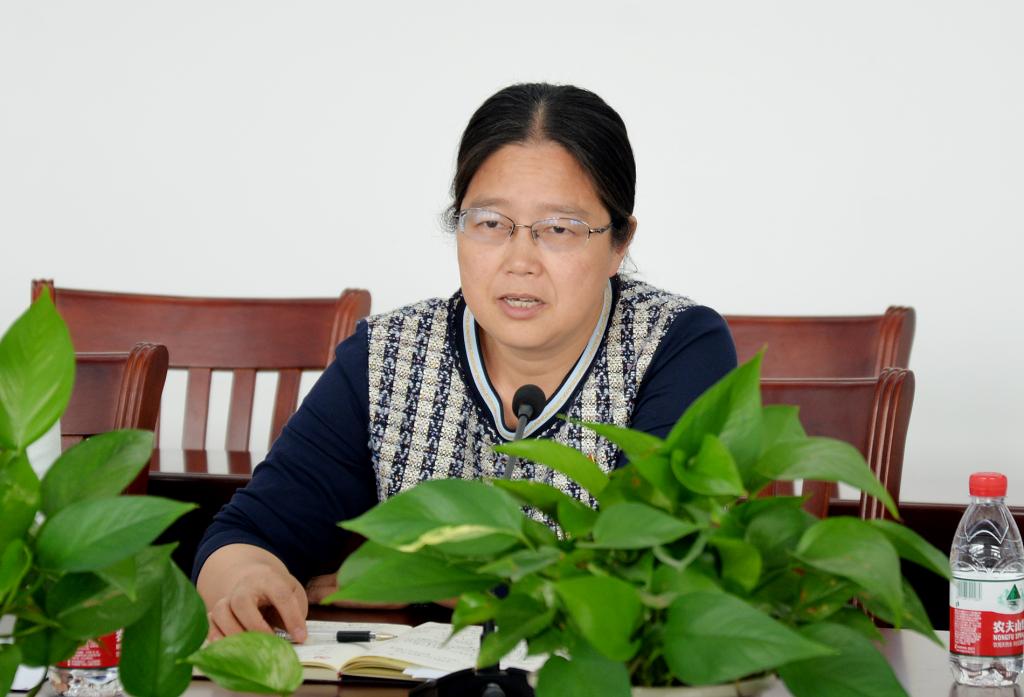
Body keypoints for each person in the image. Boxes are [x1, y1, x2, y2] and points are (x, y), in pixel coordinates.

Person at [195, 83, 738, 641]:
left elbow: (654, 573)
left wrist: (433, 579)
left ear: (619, 243)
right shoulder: (391, 354)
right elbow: (246, 533)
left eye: (559, 229)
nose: (520, 261)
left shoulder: (675, 346)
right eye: (490, 223)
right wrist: (248, 579)